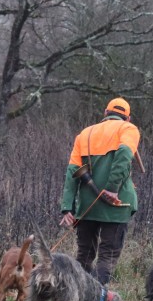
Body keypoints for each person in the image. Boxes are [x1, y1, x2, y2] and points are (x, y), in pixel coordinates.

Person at [59, 97, 139, 285]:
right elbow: (126, 153)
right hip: (117, 205)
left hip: (87, 206)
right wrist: (112, 188)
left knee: (84, 256)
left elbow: (72, 171)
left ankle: (78, 299)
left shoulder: (85, 134)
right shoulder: (128, 129)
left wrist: (67, 207)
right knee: (107, 256)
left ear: (105, 113)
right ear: (128, 118)